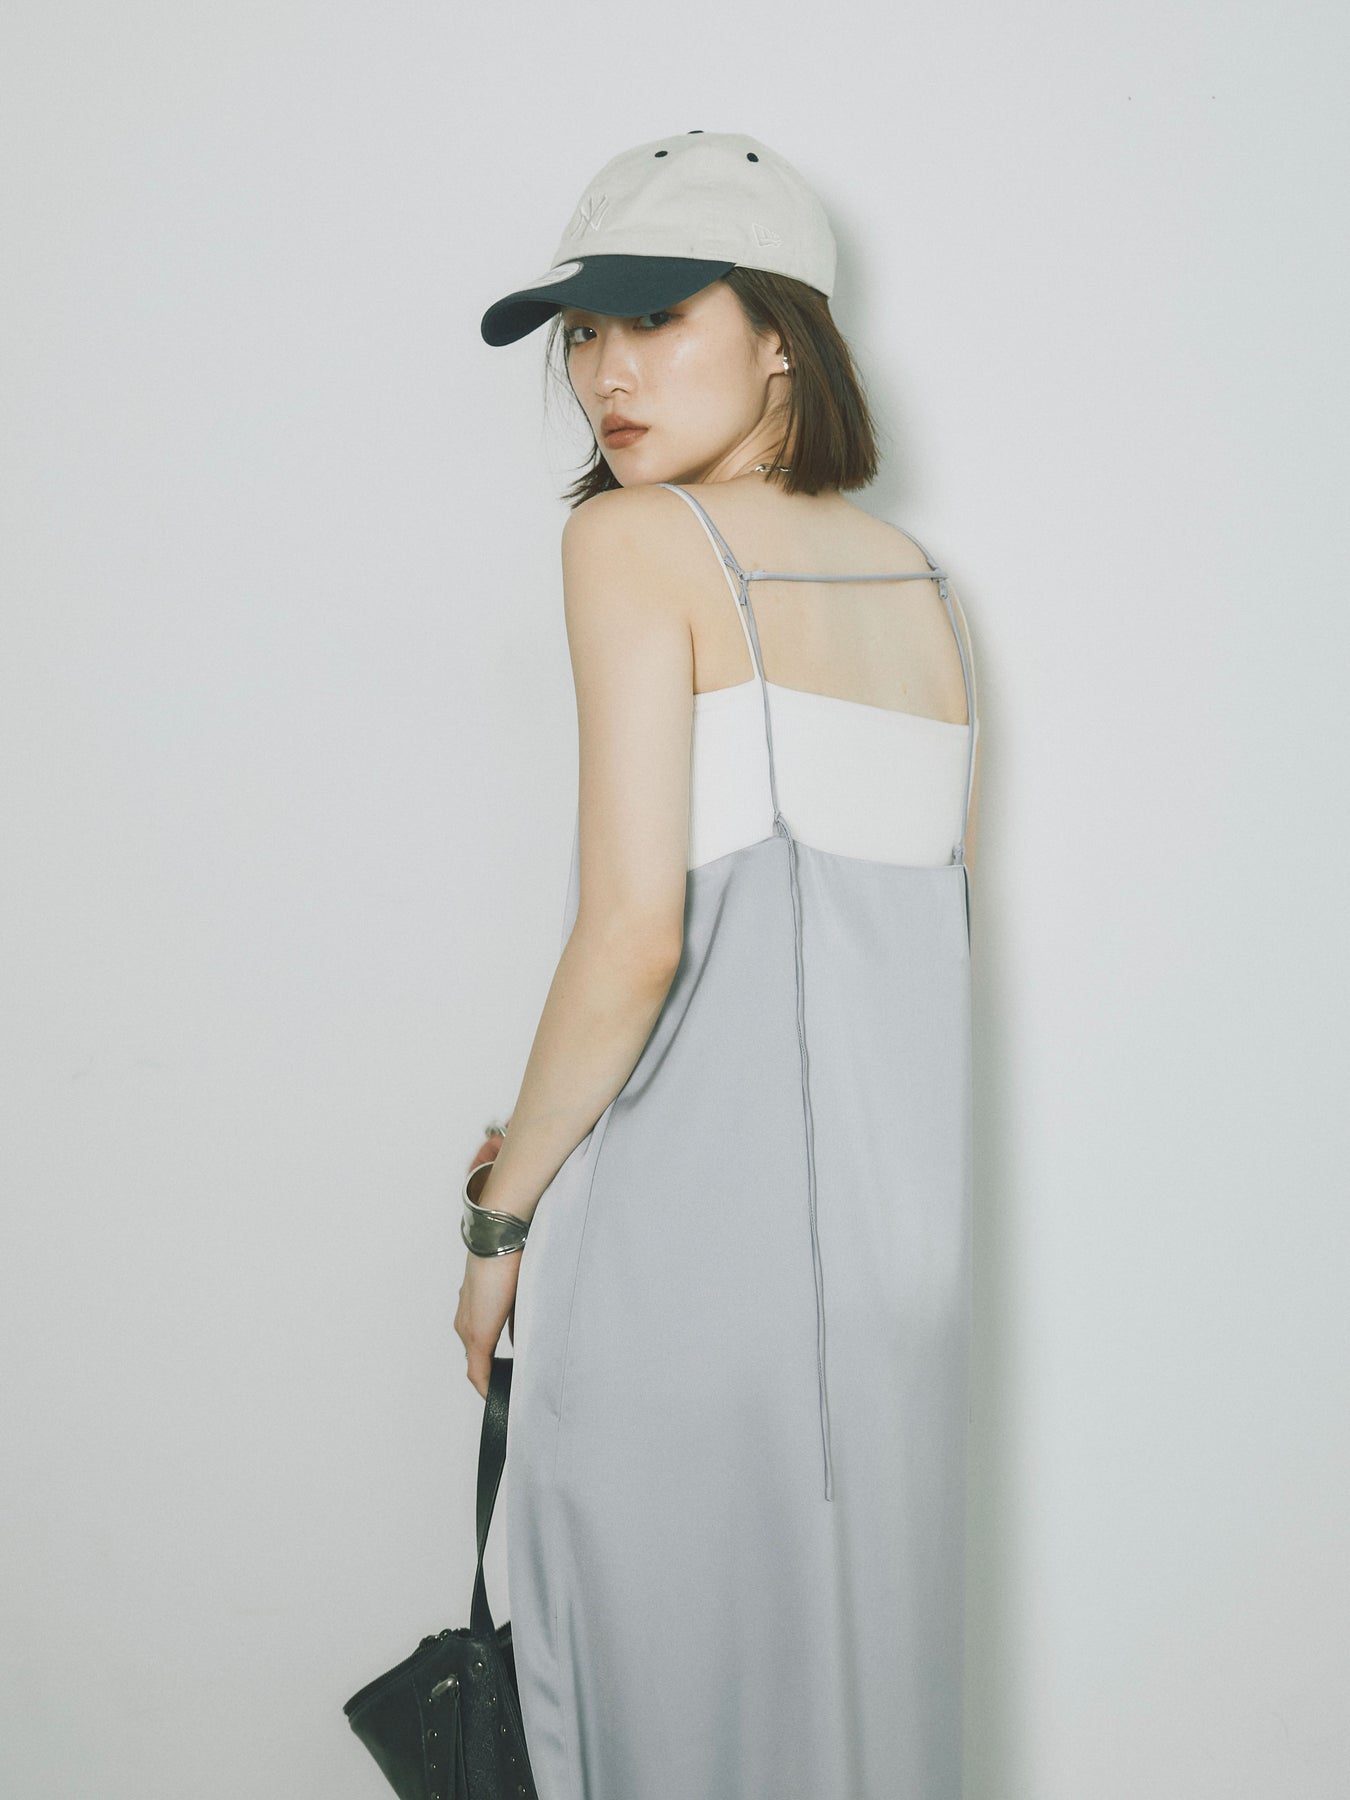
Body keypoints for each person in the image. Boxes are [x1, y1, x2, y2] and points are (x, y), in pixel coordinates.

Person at [458, 129, 981, 1800]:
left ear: (780, 334)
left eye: (654, 318)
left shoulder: (635, 543)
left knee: (655, 1714)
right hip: (892, 1285)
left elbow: (634, 937)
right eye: (581, 335)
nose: (604, 375)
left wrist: (499, 1218)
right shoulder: (923, 588)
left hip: (685, 1265)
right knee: (844, 1718)